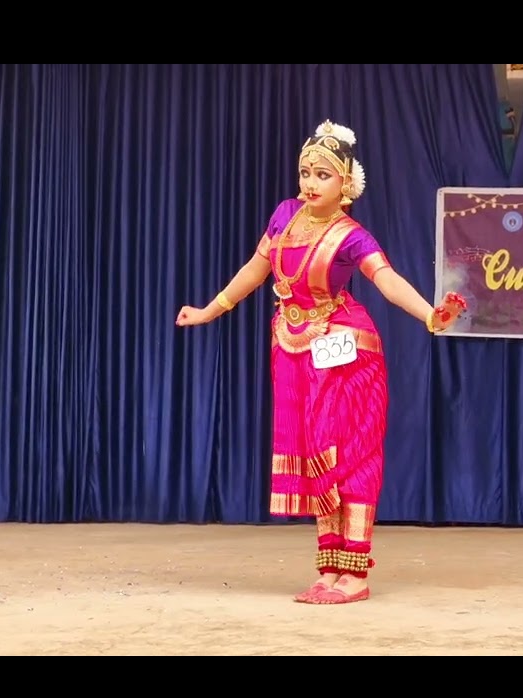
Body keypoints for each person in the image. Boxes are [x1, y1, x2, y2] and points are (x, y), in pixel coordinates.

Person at [175, 120, 467, 605]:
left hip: (343, 349)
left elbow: (388, 282)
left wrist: (430, 317)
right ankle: (329, 567)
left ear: (347, 183)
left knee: (348, 453)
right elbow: (256, 269)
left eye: (323, 175)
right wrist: (210, 310)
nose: (310, 182)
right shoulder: (286, 215)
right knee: (315, 456)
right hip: (291, 347)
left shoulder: (351, 235)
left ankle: (356, 571)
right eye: (305, 172)